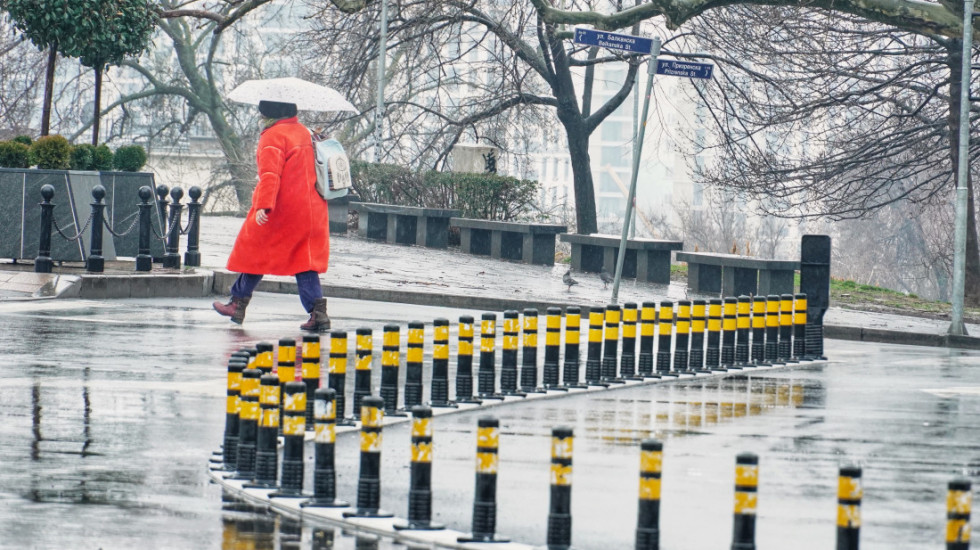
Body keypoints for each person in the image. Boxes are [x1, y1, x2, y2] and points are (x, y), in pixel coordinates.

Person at [212, 99, 331, 331]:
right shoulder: (305, 132)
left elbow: (270, 175)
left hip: (283, 208)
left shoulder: (273, 135)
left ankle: (237, 303)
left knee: (255, 250)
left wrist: (263, 207)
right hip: (312, 208)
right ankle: (318, 314)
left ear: (269, 113)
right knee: (304, 261)